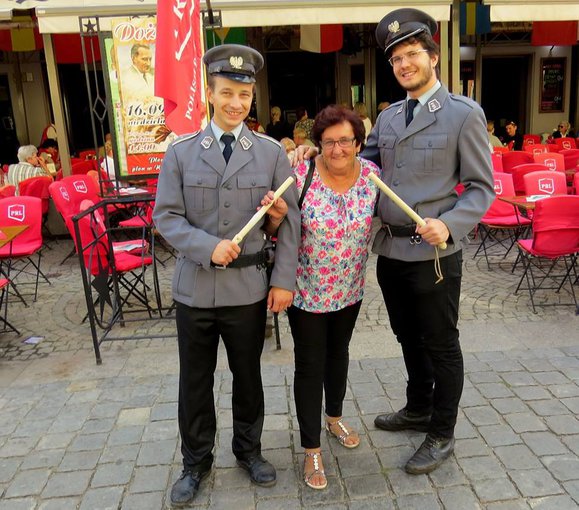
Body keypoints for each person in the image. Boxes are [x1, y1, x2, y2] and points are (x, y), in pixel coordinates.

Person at [295, 8, 494, 476]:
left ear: (432, 57)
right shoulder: (387, 118)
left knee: (440, 343)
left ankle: (441, 432)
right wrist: (316, 150)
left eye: (412, 54)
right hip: (391, 252)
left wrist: (450, 224)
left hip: (434, 255)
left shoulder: (463, 114)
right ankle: (418, 406)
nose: (404, 64)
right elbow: (354, 162)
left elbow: (482, 188)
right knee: (407, 336)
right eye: (396, 59)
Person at [152, 44, 300, 507]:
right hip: (195, 289)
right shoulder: (180, 153)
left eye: (244, 94)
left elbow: (288, 222)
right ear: (210, 94)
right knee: (194, 381)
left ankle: (248, 450)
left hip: (247, 288)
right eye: (227, 93)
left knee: (248, 376)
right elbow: (166, 217)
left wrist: (283, 278)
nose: (236, 103)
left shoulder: (271, 154)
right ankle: (195, 462)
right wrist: (207, 247)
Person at [263, 105, 381, 490]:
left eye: (345, 141)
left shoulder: (373, 177)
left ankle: (334, 418)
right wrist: (275, 216)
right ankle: (311, 447)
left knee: (339, 354)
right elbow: (274, 226)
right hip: (307, 291)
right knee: (310, 365)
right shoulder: (301, 175)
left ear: (358, 143)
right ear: (318, 144)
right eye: (328, 142)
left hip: (350, 289)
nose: (337, 149)